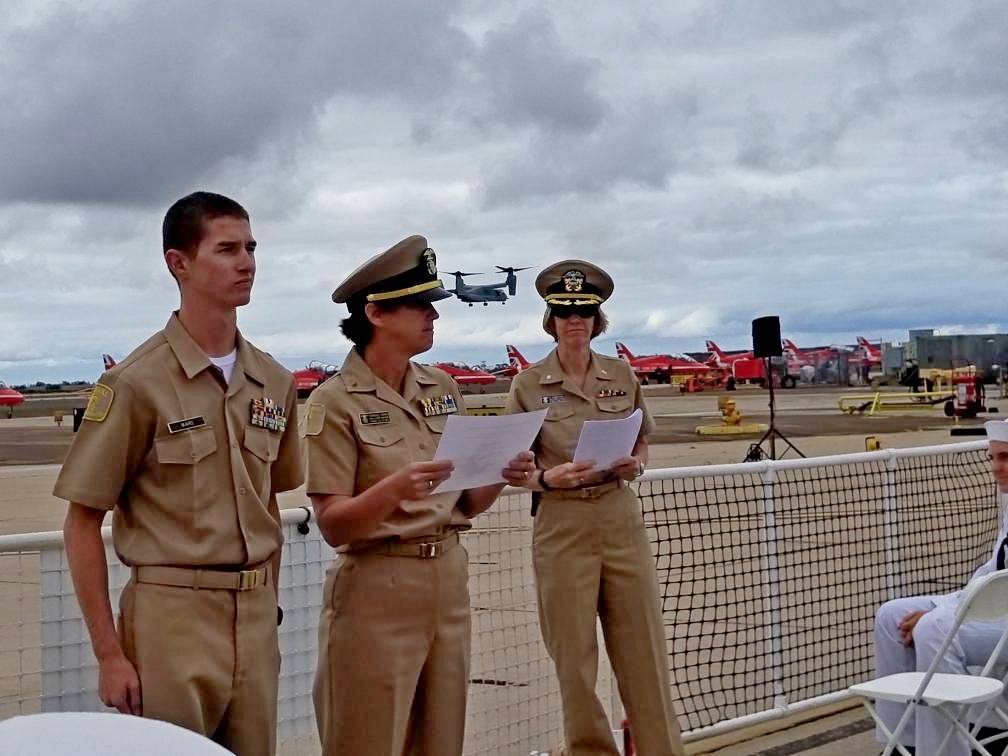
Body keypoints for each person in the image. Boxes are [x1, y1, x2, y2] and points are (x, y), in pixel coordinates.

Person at [54, 192, 304, 756]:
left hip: (256, 617)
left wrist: (270, 602)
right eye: (227, 249)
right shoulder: (136, 384)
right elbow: (81, 523)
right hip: (172, 622)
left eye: (251, 247)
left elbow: (267, 502)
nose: (246, 263)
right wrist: (111, 655)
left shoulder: (274, 382)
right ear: (179, 263)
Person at [303, 234, 536, 756]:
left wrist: (500, 471)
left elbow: (464, 503)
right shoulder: (334, 402)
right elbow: (334, 524)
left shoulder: (441, 389)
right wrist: (391, 490)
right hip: (377, 591)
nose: (434, 316)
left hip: (447, 583)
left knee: (439, 741)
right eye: (420, 304)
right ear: (377, 314)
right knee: (367, 740)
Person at [506, 260, 685, 756]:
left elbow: (641, 439)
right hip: (562, 523)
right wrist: (545, 477)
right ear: (551, 319)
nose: (574, 321)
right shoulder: (528, 384)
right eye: (564, 312)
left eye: (584, 312)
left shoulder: (621, 375)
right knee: (574, 659)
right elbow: (512, 465)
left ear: (597, 319)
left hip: (617, 516)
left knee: (643, 651)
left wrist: (635, 465)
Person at [872, 419, 1008, 756]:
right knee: (892, 616)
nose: (996, 468)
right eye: (992, 458)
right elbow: (993, 574)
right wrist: (950, 605)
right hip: (994, 608)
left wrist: (949, 613)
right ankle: (902, 743)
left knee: (934, 629)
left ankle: (947, 749)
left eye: (1005, 458)